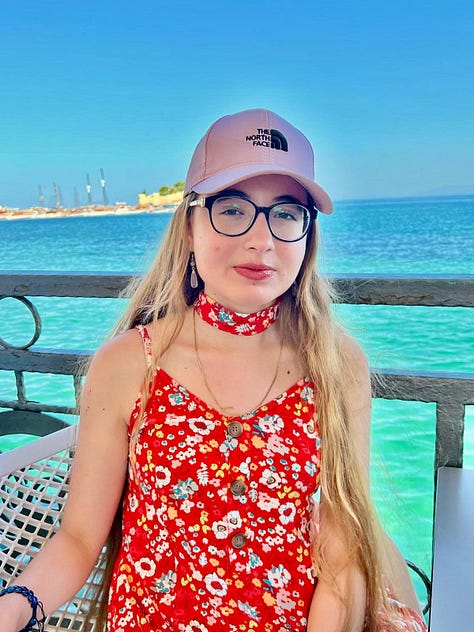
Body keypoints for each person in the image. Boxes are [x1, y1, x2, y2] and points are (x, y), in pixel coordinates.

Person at [0, 109, 428, 632]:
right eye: (232, 209)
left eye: (286, 213)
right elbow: (79, 538)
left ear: (307, 235)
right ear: (190, 225)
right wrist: (15, 605)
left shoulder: (335, 363)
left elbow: (342, 543)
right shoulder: (128, 363)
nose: (261, 240)